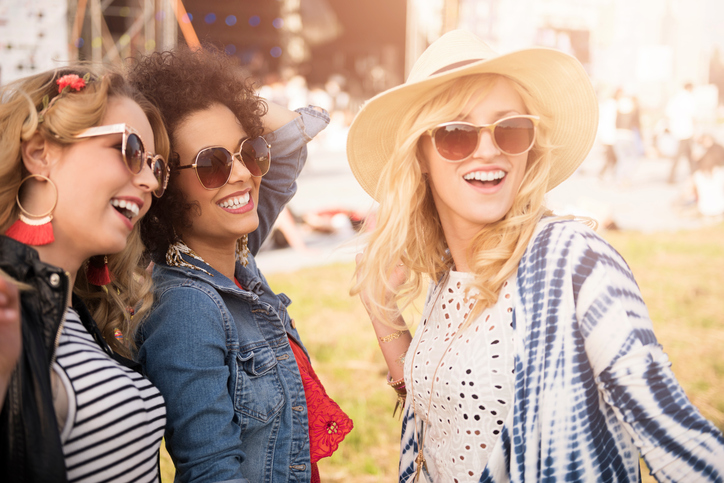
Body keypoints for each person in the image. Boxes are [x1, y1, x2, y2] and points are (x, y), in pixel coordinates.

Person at [348, 30, 724, 482]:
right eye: (455, 133)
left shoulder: (575, 262)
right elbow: (449, 419)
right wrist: (383, 311)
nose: (488, 148)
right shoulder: (449, 275)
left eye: (509, 128)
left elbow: (679, 443)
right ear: (421, 155)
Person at [129, 48, 352, 483]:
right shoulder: (185, 310)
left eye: (247, 151)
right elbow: (211, 472)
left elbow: (287, 140)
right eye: (213, 163)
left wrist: (227, 97)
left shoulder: (235, 248)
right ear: (165, 187)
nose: (241, 174)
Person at [0, 67, 170, 481]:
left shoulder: (76, 309)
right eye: (130, 149)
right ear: (40, 152)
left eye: (156, 166)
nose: (148, 180)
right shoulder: (6, 303)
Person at [666, 82, 696, 183]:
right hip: (687, 131)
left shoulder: (675, 98)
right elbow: (693, 116)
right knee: (686, 156)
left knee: (688, 156)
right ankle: (672, 177)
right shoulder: (689, 98)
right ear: (690, 88)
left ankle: (695, 175)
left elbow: (667, 114)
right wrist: (696, 131)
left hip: (677, 131)